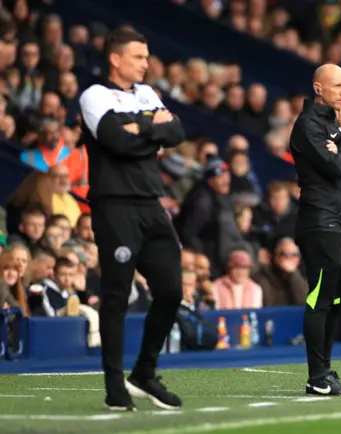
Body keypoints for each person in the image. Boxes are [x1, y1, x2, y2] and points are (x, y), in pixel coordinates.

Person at [78, 28, 185, 411]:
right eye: (139, 57)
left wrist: (138, 124)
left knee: (172, 290)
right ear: (116, 58)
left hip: (151, 204)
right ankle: (113, 386)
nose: (146, 63)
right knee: (117, 296)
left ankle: (144, 372)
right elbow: (114, 140)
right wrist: (149, 126)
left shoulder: (146, 93)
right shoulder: (94, 95)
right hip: (114, 205)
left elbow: (176, 131)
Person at [289, 63, 341, 395]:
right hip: (320, 222)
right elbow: (337, 168)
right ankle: (317, 375)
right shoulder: (307, 125)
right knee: (320, 296)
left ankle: (325, 369)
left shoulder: (335, 126)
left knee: (339, 297)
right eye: (337, 85)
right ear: (318, 88)